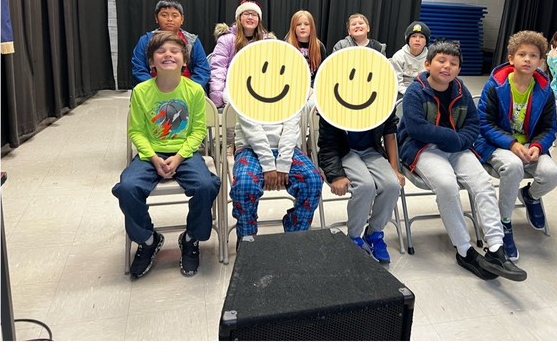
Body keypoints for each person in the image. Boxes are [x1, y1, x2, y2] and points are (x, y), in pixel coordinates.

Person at [398, 41, 526, 281]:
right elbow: (416, 128)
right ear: (428, 64)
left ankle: (497, 248)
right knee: (446, 185)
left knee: (483, 184)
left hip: (458, 148)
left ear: (458, 69)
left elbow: (473, 125)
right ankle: (464, 250)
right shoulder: (415, 91)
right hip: (423, 148)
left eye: (453, 63)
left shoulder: (460, 89)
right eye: (441, 61)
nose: (447, 66)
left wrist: (457, 141)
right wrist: (452, 137)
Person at [113, 31, 221, 279]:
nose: (168, 55)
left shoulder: (194, 91)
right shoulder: (141, 92)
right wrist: (153, 157)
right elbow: (137, 132)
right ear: (151, 61)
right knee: (127, 187)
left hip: (184, 153)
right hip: (150, 153)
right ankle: (148, 240)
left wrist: (179, 157)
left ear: (184, 60)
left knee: (206, 185)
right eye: (161, 51)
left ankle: (191, 237)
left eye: (175, 51)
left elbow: (196, 133)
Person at [474, 30, 557, 261]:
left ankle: (530, 196)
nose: (527, 59)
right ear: (511, 58)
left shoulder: (544, 90)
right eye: (521, 54)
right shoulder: (496, 86)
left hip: (530, 147)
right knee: (513, 166)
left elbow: (549, 127)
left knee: (552, 174)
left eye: (533, 55)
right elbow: (484, 124)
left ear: (541, 62)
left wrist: (538, 146)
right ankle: (504, 223)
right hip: (496, 145)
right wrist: (512, 144)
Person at [316, 103, 403, 264]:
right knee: (365, 186)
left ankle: (374, 234)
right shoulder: (332, 102)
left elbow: (390, 133)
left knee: (392, 185)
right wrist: (336, 175)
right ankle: (354, 237)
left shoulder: (381, 98)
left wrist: (394, 168)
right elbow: (327, 146)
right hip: (344, 152)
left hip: (372, 150)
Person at [230, 109, 323, 248]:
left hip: (287, 150)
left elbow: (291, 129)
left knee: (313, 180)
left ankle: (296, 235)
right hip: (249, 148)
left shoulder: (291, 94)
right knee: (244, 185)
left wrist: (283, 162)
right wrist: (268, 165)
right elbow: (252, 131)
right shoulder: (245, 92)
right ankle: (247, 242)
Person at [131, 0, 210, 88]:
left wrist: (188, 89)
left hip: (187, 89)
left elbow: (202, 70)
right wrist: (154, 88)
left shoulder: (192, 41)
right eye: (164, 15)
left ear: (182, 19)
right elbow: (139, 69)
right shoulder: (145, 41)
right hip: (153, 88)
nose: (169, 19)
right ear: (156, 18)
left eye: (174, 15)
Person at [209, 0, 273, 108]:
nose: (250, 17)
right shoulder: (226, 40)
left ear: (258, 19)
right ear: (239, 18)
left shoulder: (267, 42)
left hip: (259, 86)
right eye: (246, 14)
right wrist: (217, 98)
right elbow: (218, 68)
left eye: (254, 14)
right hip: (234, 86)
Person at [284, 10, 326, 93]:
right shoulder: (287, 46)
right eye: (298, 24)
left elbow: (322, 72)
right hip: (291, 88)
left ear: (312, 27)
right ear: (293, 27)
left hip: (313, 89)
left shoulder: (319, 46)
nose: (302, 27)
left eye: (306, 24)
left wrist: (313, 89)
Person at [390, 21, 431, 97]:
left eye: (421, 37)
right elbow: (396, 82)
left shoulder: (431, 57)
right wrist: (409, 93)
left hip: (424, 91)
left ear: (426, 41)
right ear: (408, 39)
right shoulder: (399, 56)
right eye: (414, 36)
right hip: (402, 92)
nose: (417, 39)